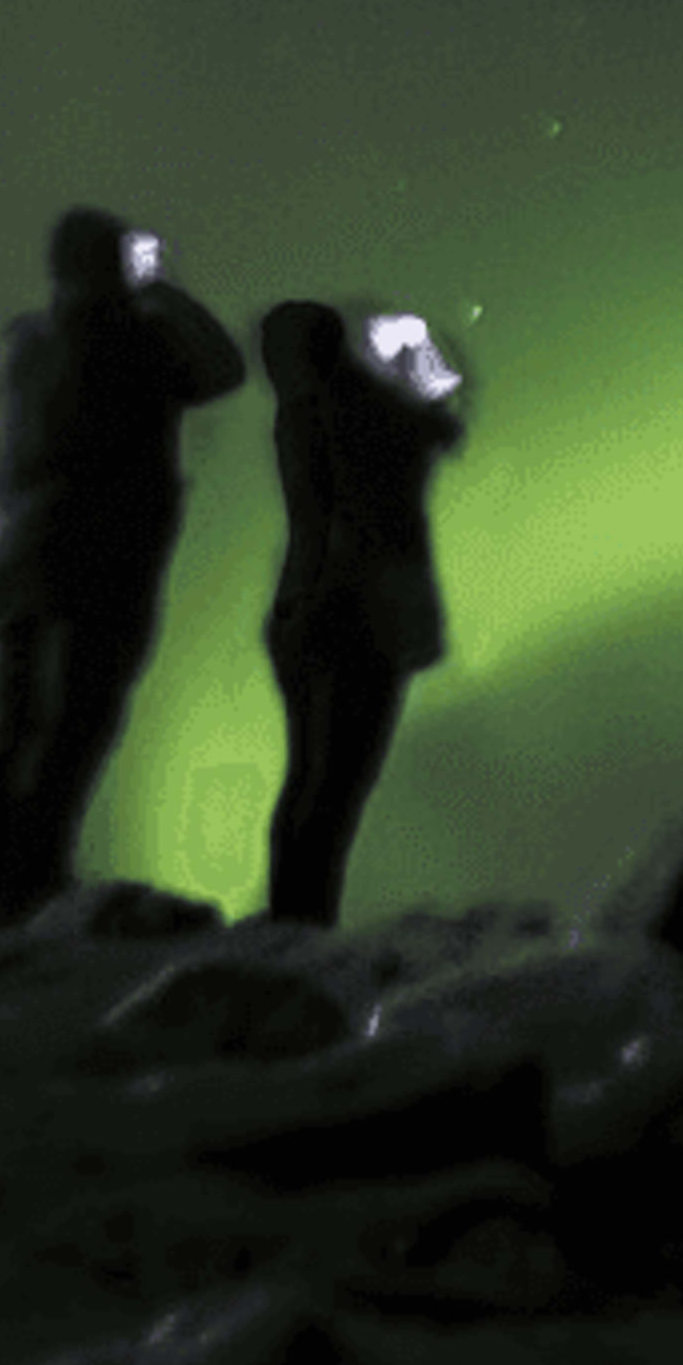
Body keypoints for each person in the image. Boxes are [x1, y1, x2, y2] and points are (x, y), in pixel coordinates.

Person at [0, 208, 246, 930]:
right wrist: (164, 290)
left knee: (21, 726)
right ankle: (35, 881)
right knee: (82, 718)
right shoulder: (134, 339)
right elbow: (222, 370)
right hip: (105, 560)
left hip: (23, 558)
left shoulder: (30, 345)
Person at [259, 295, 467, 928]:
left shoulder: (298, 415)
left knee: (308, 778)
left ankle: (293, 918)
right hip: (364, 617)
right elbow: (445, 426)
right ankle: (306, 919)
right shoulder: (373, 412)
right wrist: (419, 354)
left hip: (305, 611)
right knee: (339, 783)